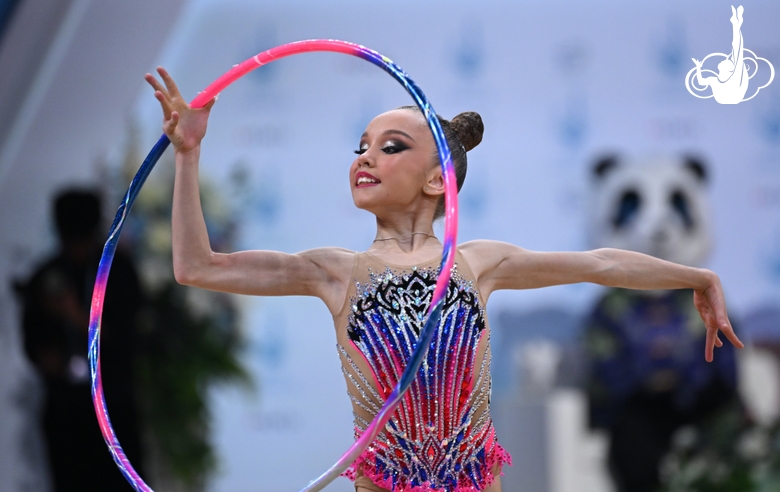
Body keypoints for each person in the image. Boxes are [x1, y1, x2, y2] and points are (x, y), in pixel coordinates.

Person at [145, 67, 743, 492]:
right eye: (360, 147)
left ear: (437, 181)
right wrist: (188, 156)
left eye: (390, 147)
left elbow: (600, 263)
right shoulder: (335, 271)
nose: (364, 158)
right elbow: (197, 267)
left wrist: (695, 275)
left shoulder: (477, 264)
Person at [20, 189, 144, 491]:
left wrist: (76, 315)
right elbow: (32, 339)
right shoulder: (46, 276)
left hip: (113, 407)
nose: (76, 248)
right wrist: (46, 358)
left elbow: (128, 336)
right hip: (64, 411)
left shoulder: (117, 272)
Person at [692, 5, 748, 104]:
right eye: (727, 60)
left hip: (732, 97)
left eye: (727, 61)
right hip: (727, 98)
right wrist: (698, 67)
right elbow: (701, 82)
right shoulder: (715, 80)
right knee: (736, 50)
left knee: (737, 50)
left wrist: (736, 26)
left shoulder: (733, 78)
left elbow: (737, 48)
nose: (725, 59)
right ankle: (736, 23)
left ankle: (736, 23)